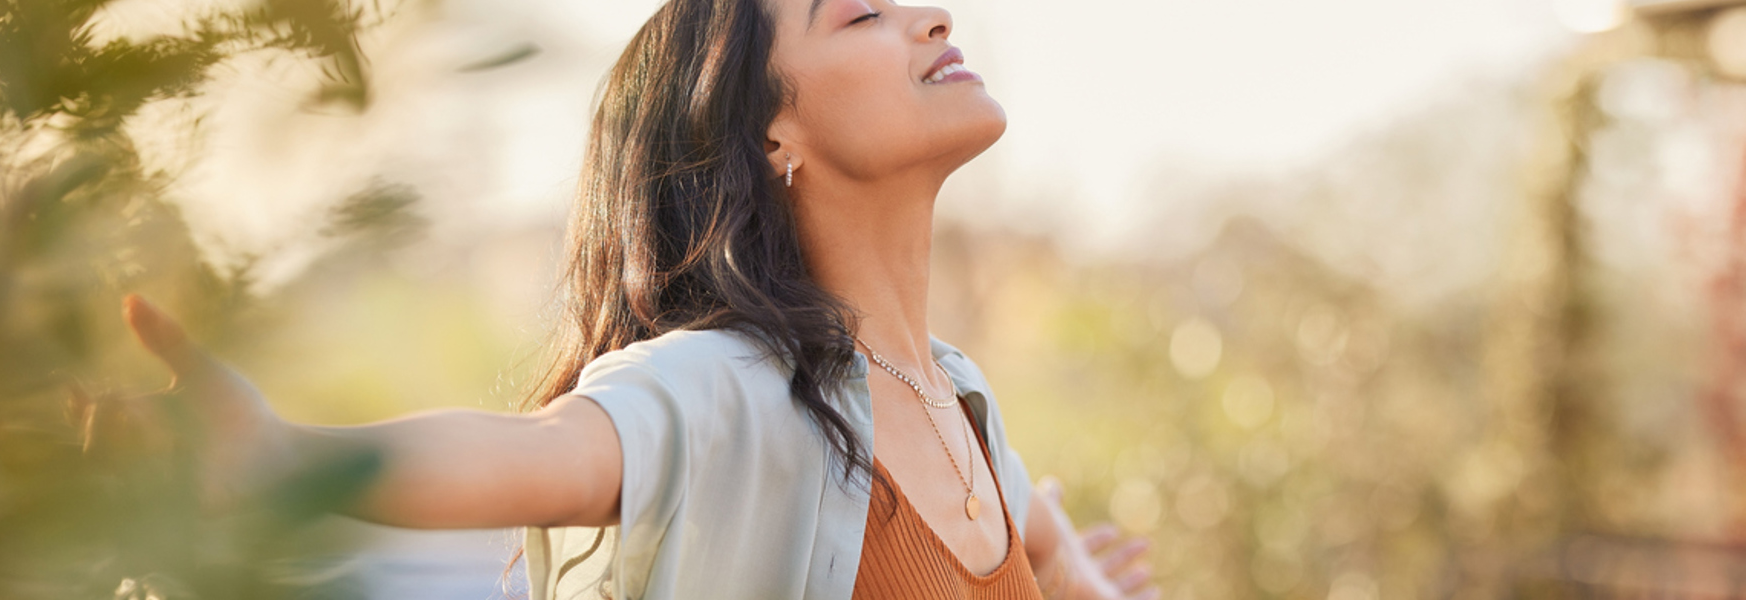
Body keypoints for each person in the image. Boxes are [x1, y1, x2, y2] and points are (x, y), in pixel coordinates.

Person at [117, 0, 1158, 598]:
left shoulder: (962, 404)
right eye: (864, 14)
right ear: (770, 134)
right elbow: (546, 456)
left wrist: (1072, 578)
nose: (933, 15)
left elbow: (1038, 535)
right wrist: (284, 457)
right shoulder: (732, 389)